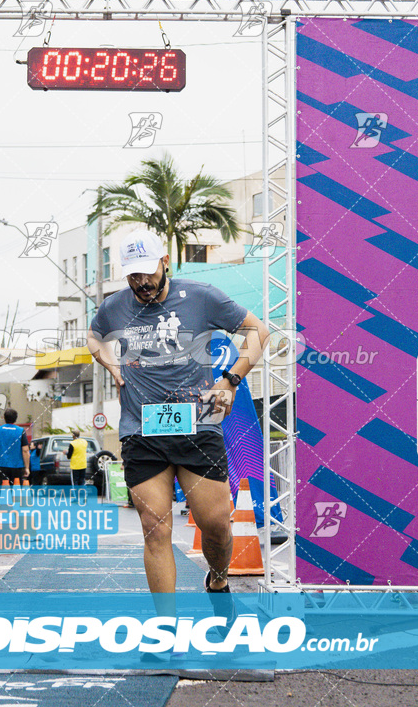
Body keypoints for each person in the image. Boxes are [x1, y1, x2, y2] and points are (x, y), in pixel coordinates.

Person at [87, 229, 269, 596]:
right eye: (133, 275)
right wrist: (111, 365)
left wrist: (230, 380)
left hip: (198, 427)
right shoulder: (115, 306)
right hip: (141, 430)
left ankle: (218, 576)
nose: (142, 282)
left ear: (165, 262)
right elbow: (94, 337)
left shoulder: (201, 298)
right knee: (155, 530)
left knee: (216, 524)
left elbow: (258, 331)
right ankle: (164, 630)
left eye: (148, 272)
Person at [0, 408, 30, 486]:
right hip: (17, 465)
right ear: (16, 418)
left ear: (4, 418)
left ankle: (3, 498)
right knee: (16, 489)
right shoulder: (20, 431)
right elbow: (25, 450)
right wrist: (27, 467)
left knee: (2, 489)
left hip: (1, 464)